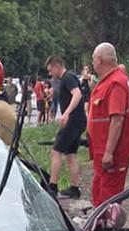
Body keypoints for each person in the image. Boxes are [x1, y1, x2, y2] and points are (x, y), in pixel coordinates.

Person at [87, 43, 129, 207]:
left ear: (99, 60)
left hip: (112, 153)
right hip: (101, 150)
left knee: (108, 196)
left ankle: (106, 229)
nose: (92, 63)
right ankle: (99, 226)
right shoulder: (109, 81)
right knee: (99, 190)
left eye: (93, 59)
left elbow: (117, 120)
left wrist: (109, 152)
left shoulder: (116, 84)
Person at [45, 55, 87, 198]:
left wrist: (67, 113)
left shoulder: (67, 77)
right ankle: (75, 188)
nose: (50, 74)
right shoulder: (68, 78)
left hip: (73, 121)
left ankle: (52, 186)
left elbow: (77, 94)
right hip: (79, 121)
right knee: (70, 154)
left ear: (57, 66)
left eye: (51, 70)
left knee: (56, 151)